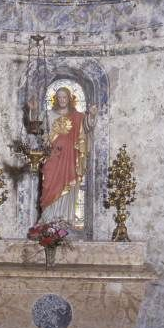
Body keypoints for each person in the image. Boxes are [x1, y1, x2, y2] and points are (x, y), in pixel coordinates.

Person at [32, 87, 97, 228]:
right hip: (52, 156)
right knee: (48, 182)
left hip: (70, 158)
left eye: (64, 97)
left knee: (69, 183)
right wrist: (33, 110)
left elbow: (87, 127)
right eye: (59, 97)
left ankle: (65, 218)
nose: (62, 100)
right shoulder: (48, 114)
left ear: (69, 99)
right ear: (56, 99)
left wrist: (91, 115)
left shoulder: (77, 116)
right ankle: (47, 218)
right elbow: (36, 127)